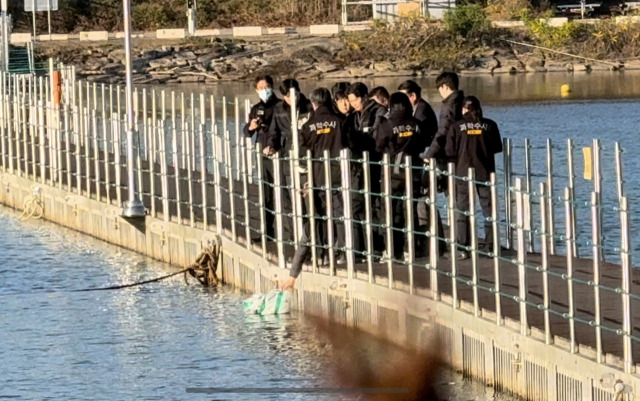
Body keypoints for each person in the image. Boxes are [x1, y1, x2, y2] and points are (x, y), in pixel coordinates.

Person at [281, 88, 347, 289]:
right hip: (339, 175)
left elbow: (302, 154)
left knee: (314, 220)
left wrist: (305, 179)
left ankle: (306, 264)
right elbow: (348, 143)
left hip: (317, 177)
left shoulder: (308, 126)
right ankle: (342, 254)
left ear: (314, 104)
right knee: (340, 216)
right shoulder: (340, 122)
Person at [445, 96, 502, 259]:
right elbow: (497, 147)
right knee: (489, 210)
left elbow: (450, 151)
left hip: (463, 172)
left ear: (464, 109)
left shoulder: (457, 126)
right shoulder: (490, 125)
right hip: (485, 171)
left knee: (462, 210)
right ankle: (491, 246)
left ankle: (464, 247)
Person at [374, 92, 424, 260]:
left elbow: (378, 144)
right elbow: (423, 143)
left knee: (389, 211)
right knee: (410, 210)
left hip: (392, 173)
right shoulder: (416, 124)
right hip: (413, 172)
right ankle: (410, 249)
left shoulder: (387, 125)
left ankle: (390, 250)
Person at [266, 79, 313, 241]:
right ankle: (296, 237)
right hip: (288, 157)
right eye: (288, 97)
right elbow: (274, 132)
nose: (292, 99)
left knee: (308, 201)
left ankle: (311, 237)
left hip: (306, 158)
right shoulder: (279, 109)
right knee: (290, 201)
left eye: (295, 95)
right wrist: (271, 146)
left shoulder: (309, 107)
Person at [345, 82, 388, 257]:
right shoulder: (355, 116)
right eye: (350, 101)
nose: (353, 104)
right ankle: (363, 247)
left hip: (375, 164)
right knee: (358, 206)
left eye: (355, 100)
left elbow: (377, 137)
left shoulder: (379, 112)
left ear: (364, 97)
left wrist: (359, 141)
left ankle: (378, 247)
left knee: (376, 206)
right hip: (358, 167)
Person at [242, 75, 280, 242]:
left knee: (283, 193)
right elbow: (246, 131)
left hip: (278, 152)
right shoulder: (256, 108)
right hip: (261, 152)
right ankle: (268, 233)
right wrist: (252, 126)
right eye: (261, 88)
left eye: (267, 87)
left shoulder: (280, 106)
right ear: (256, 90)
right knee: (266, 194)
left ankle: (287, 232)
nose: (265, 90)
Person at [397, 80, 437, 146]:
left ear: (413, 96)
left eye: (403, 98)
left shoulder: (422, 110)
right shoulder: (417, 107)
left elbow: (419, 134)